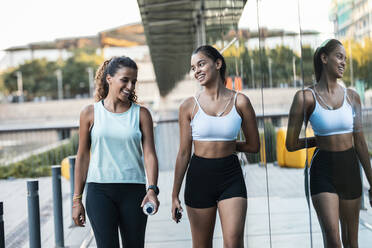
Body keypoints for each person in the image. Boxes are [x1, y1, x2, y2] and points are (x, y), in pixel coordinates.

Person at [171, 45, 260, 248]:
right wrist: (174, 194)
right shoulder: (188, 106)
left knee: (234, 242)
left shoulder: (241, 102)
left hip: (231, 176)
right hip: (199, 177)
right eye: (193, 68)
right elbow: (184, 153)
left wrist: (227, 145)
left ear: (218, 64)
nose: (197, 71)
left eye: (201, 64)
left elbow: (254, 145)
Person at [286, 39, 372, 248]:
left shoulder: (353, 97)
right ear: (324, 58)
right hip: (322, 170)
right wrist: (319, 140)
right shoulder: (305, 98)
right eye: (339, 57)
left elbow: (360, 143)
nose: (343, 63)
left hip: (350, 169)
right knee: (333, 240)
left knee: (352, 242)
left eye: (345, 59)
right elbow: (290, 144)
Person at [72, 56, 160, 248]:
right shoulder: (90, 113)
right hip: (99, 191)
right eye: (125, 80)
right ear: (109, 78)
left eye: (133, 81)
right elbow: (83, 157)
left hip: (134, 192)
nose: (130, 86)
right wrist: (77, 199)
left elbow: (150, 155)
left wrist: (152, 189)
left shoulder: (142, 114)